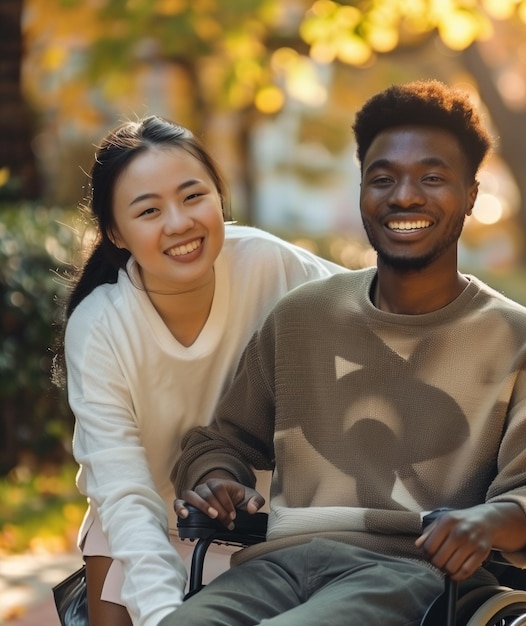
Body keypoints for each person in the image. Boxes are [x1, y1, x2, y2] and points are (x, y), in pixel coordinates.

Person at [162, 80, 526, 626]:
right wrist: (218, 478)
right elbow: (222, 440)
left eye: (432, 178)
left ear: (472, 195)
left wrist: (488, 521)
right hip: (278, 566)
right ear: (362, 190)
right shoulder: (302, 317)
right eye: (383, 179)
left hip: (416, 571)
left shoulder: (519, 340)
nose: (405, 196)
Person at [52, 115, 344, 626]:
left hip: (254, 519)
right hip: (139, 526)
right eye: (148, 210)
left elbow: (381, 308)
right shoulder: (100, 327)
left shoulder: (267, 264)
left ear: (218, 197)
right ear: (116, 233)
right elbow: (124, 495)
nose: (179, 223)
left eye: (192, 197)